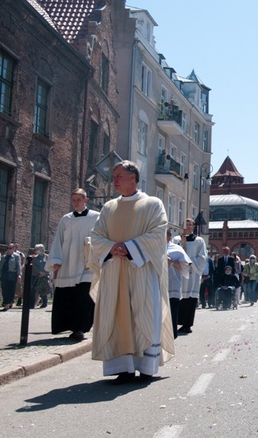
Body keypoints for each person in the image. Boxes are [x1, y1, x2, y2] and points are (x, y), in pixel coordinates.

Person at [88, 160, 174, 384]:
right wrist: (110, 247)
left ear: (133, 178)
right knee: (116, 316)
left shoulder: (153, 204)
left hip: (141, 272)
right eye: (114, 175)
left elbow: (158, 234)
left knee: (143, 315)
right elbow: (96, 236)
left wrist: (129, 247)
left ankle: (146, 367)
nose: (114, 179)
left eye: (119, 175)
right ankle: (123, 367)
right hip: (114, 271)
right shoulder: (108, 208)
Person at [47, 188, 100, 341]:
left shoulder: (95, 217)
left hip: (87, 263)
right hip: (69, 262)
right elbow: (59, 240)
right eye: (73, 200)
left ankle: (80, 328)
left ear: (85, 200)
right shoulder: (66, 219)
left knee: (84, 296)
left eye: (79, 199)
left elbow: (101, 237)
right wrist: (56, 260)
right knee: (68, 295)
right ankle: (66, 325)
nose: (76, 203)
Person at [178, 218, 207, 334]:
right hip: (179, 273)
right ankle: (176, 321)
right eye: (187, 224)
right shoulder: (177, 239)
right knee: (178, 298)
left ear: (194, 227)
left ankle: (187, 325)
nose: (189, 226)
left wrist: (189, 262)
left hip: (192, 274)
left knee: (190, 299)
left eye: (191, 224)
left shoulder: (199, 241)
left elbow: (203, 258)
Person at [166, 230, 191, 338]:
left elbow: (186, 267)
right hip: (157, 284)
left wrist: (171, 262)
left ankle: (172, 335)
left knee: (172, 310)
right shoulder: (153, 247)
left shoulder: (176, 249)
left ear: (169, 237)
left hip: (173, 284)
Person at [0, 244, 21, 311]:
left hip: (12, 274)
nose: (8, 249)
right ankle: (6, 302)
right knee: (4, 289)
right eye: (8, 248)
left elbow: (18, 266)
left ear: (13, 249)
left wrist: (19, 274)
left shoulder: (16, 256)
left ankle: (9, 303)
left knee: (11, 289)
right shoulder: (4, 257)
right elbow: (0, 267)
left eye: (10, 248)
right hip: (4, 274)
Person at [30, 244, 50, 308]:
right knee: (33, 289)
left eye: (37, 249)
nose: (36, 251)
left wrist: (45, 273)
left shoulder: (47, 257)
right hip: (36, 275)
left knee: (43, 289)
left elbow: (49, 266)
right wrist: (39, 272)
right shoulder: (35, 258)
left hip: (44, 275)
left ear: (42, 250)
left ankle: (44, 303)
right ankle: (32, 304)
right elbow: (33, 266)